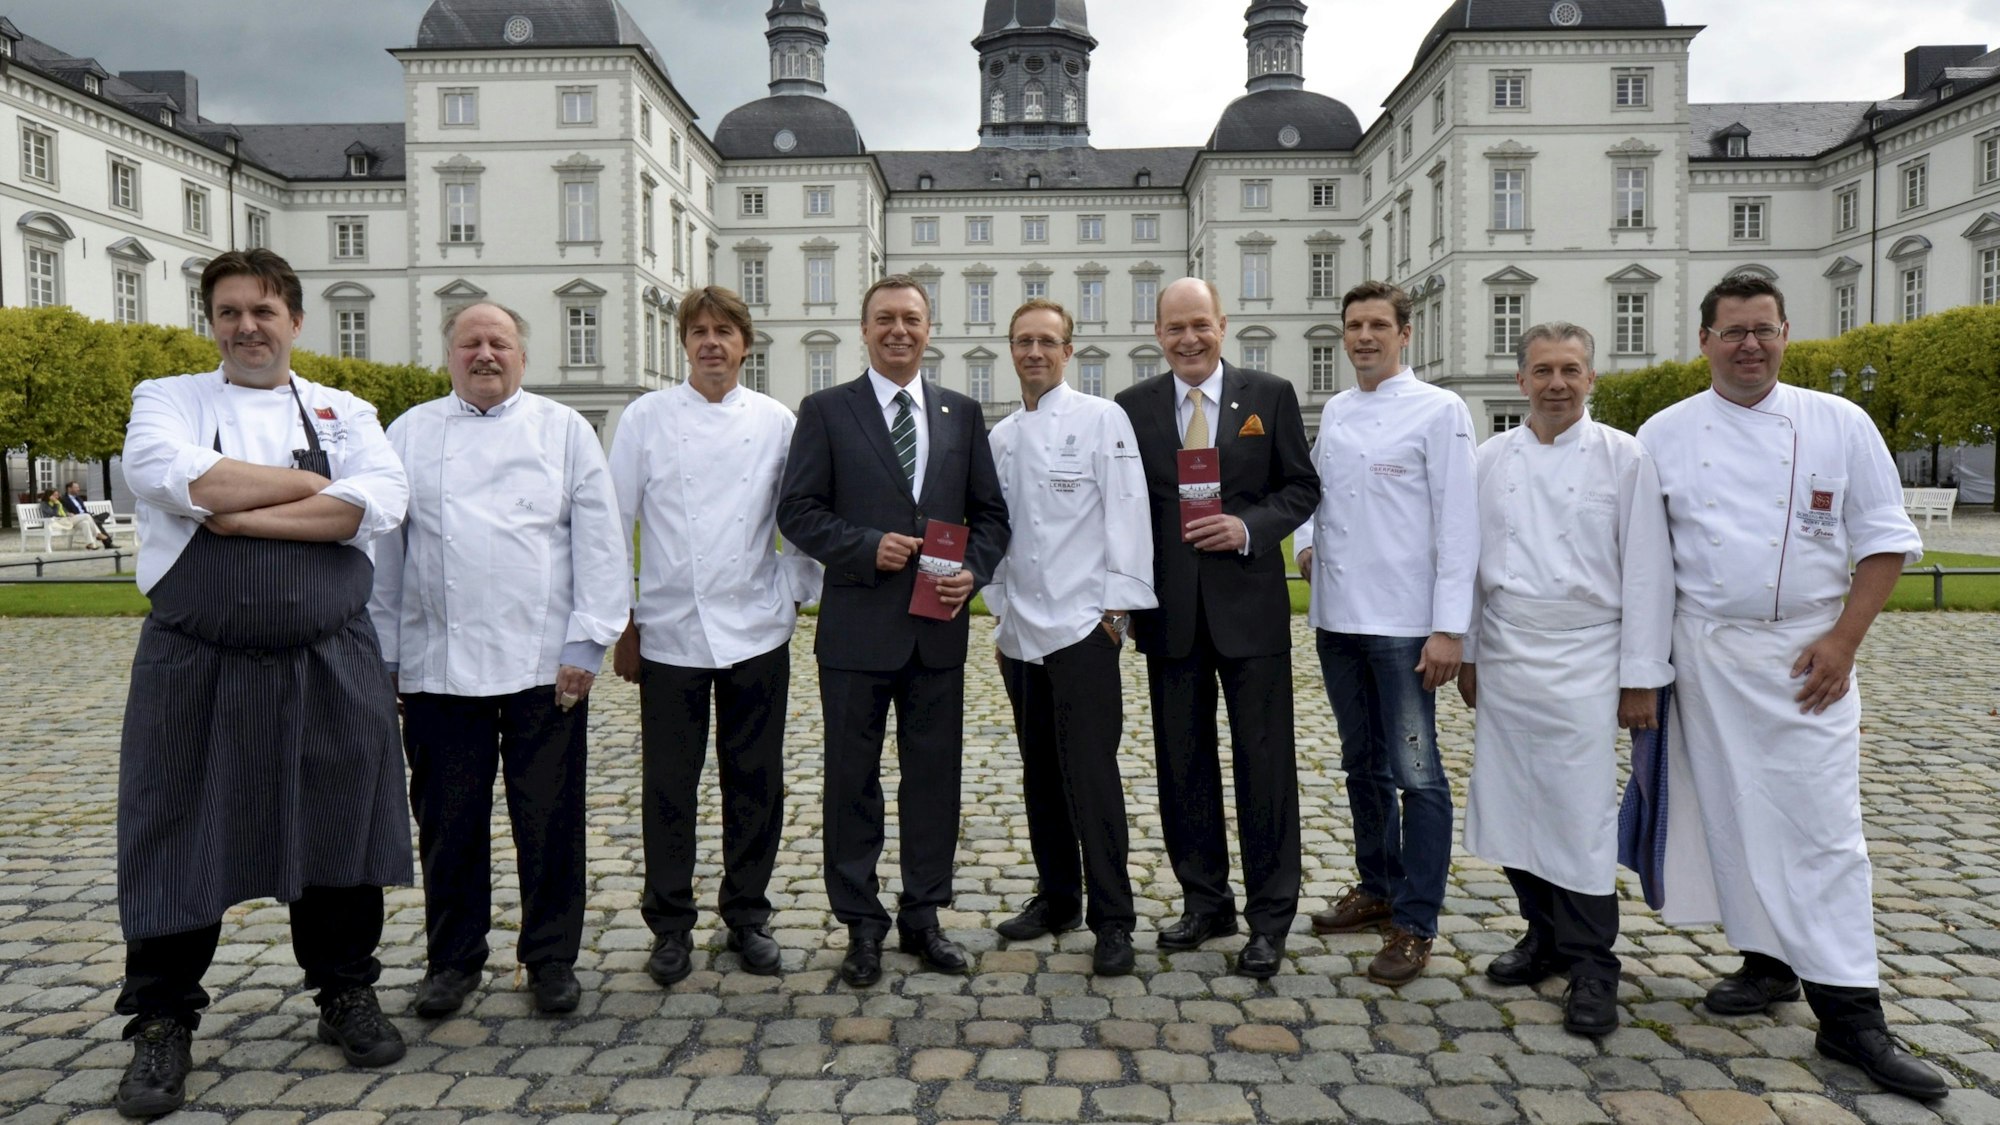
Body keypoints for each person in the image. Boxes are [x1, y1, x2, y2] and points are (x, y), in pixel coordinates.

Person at [113, 249, 412, 1118]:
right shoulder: (167, 399)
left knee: (340, 823)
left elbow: (377, 502)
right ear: (212, 322)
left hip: (329, 656)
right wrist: (309, 486)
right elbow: (171, 476)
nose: (248, 326)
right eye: (230, 311)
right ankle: (161, 1020)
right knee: (174, 826)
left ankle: (346, 991)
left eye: (264, 310)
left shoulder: (346, 408)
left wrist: (236, 513)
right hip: (195, 658)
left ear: (295, 321)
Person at [1638, 275, 1947, 1100]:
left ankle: (1852, 1016)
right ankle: (1768, 960)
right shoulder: (1664, 432)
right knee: (1729, 813)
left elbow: (1884, 540)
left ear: (1786, 333)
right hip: (1703, 654)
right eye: (1733, 330)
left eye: (1764, 330)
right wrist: (1643, 673)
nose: (1750, 345)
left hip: (1807, 651)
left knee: (1823, 830)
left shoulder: (1839, 423)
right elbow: (1640, 563)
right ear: (1704, 340)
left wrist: (1845, 640)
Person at [368, 302, 629, 1018]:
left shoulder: (565, 430)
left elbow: (599, 540)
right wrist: (387, 653)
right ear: (449, 355)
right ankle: (453, 959)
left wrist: (587, 641)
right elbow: (385, 554)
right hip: (438, 663)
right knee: (449, 822)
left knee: (548, 820)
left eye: (499, 343)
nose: (485, 354)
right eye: (470, 343)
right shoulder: (410, 433)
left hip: (545, 662)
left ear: (522, 355)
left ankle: (550, 957)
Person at [777, 274, 1010, 987]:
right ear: (865, 327)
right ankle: (862, 924)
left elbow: (992, 516)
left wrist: (973, 568)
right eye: (885, 319)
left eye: (911, 318)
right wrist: (861, 546)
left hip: (936, 628)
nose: (899, 330)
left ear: (928, 328)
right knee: (853, 781)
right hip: (856, 630)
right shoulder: (824, 410)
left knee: (933, 777)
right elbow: (799, 510)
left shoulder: (962, 413)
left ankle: (923, 915)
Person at [1456, 322, 1673, 1037]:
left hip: (1586, 654)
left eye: (1571, 369)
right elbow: (1468, 562)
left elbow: (1646, 570)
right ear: (1520, 380)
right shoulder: (1489, 458)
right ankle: (1541, 932)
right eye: (1543, 369)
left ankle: (1592, 964)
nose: (1556, 383)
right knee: (1511, 806)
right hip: (1511, 653)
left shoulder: (1624, 457)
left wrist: (1639, 677)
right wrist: (1470, 652)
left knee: (1577, 816)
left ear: (1591, 379)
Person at [609, 286, 820, 987]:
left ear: (745, 344)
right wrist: (625, 618)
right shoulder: (645, 418)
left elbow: (802, 508)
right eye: (698, 331)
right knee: (669, 784)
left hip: (756, 626)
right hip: (671, 631)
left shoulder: (776, 420)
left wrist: (794, 584)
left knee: (754, 779)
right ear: (683, 343)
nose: (710, 342)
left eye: (724, 331)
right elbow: (617, 521)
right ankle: (670, 924)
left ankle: (748, 914)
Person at [1113, 277, 1318, 979]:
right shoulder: (1132, 408)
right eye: (1174, 328)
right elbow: (1125, 509)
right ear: (1158, 334)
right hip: (1169, 616)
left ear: (1222, 325)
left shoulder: (1270, 396)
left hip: (1251, 612)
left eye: (1199, 324)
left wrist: (1248, 526)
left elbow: (1300, 487)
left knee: (1265, 765)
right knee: (1183, 764)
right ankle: (1206, 900)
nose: (1188, 339)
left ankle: (1269, 916)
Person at [1296, 280, 1477, 987]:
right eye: (1353, 325)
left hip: (1406, 626)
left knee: (1419, 773)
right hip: (1339, 619)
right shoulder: (1337, 411)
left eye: (1377, 325)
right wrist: (1307, 544)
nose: (1364, 336)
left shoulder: (1440, 410)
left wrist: (1449, 629)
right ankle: (1376, 886)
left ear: (1405, 333)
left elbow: (1460, 522)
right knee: (1361, 765)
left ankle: (1417, 920)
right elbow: (1314, 493)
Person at [987, 298, 1155, 976]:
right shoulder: (999, 437)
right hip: (1021, 632)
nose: (1035, 352)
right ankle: (1058, 897)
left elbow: (1128, 509)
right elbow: (995, 532)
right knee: (1040, 776)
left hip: (1084, 626)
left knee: (1090, 775)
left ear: (1068, 350)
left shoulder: (1100, 419)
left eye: (1047, 341)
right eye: (1024, 341)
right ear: (1012, 349)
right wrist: (998, 609)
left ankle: (1114, 917)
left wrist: (1115, 613)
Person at [60, 482, 117, 547]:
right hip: (75, 519)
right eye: (76, 487)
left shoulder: (78, 498)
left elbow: (83, 510)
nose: (78, 489)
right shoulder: (63, 499)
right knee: (94, 521)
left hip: (85, 519)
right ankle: (101, 536)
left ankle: (90, 544)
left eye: (78, 487)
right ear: (69, 489)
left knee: (87, 522)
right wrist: (67, 513)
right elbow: (61, 509)